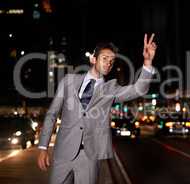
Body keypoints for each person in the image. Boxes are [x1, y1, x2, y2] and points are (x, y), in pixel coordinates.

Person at [37, 34, 157, 184]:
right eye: (105, 58)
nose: (109, 63)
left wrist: (147, 62)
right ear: (93, 59)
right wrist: (43, 147)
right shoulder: (68, 81)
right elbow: (52, 114)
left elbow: (139, 89)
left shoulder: (111, 89)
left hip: (89, 157)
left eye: (112, 61)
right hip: (63, 153)